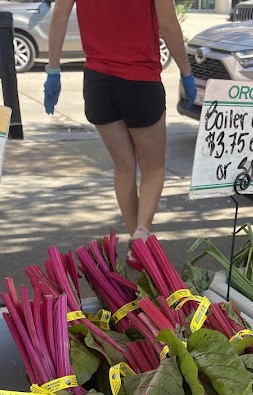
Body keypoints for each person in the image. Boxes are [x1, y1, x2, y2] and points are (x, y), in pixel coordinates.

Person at [44, 0, 197, 245]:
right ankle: (141, 235)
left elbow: (60, 13)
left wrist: (53, 70)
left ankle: (136, 241)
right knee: (153, 168)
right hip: (140, 81)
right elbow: (168, 25)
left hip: (98, 83)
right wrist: (186, 72)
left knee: (124, 167)